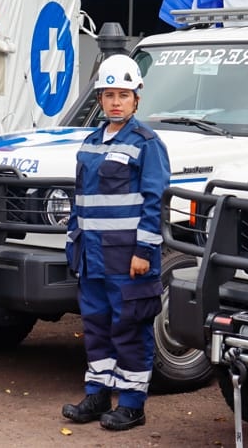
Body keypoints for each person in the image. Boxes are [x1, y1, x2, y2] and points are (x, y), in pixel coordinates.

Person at [61, 54, 171, 430]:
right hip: (92, 257)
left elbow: (154, 202)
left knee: (128, 328)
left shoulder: (147, 143)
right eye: (109, 95)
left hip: (128, 259)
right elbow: (80, 200)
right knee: (95, 327)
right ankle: (96, 395)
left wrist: (144, 252)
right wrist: (72, 243)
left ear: (136, 98)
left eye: (123, 94)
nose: (115, 102)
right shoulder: (91, 142)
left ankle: (131, 404)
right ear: (100, 99)